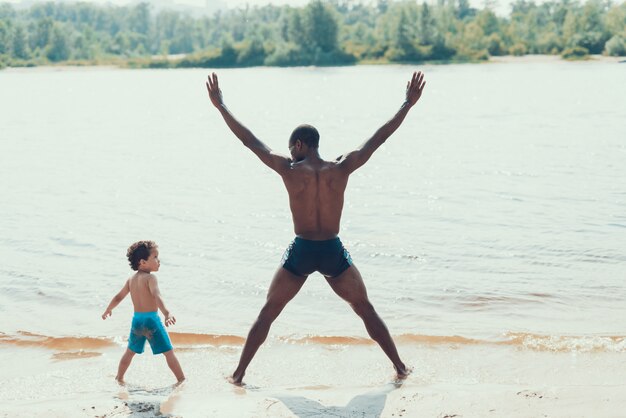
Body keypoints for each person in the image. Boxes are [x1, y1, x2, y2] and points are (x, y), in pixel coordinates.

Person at [205, 70, 426, 385]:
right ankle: (401, 368)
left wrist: (220, 105)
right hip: (332, 250)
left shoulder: (289, 169)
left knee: (269, 312)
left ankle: (238, 374)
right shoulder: (343, 167)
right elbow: (379, 138)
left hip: (303, 249)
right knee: (364, 308)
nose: (291, 151)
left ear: (298, 144)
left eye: (292, 147)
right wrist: (407, 104)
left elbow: (249, 141)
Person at [102, 240, 185, 384]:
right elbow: (156, 296)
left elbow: (118, 296)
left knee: (130, 352)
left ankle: (119, 377)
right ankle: (181, 379)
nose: (159, 261)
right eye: (155, 257)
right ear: (143, 262)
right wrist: (166, 313)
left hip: (138, 321)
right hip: (152, 320)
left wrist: (109, 309)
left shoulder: (131, 280)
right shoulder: (151, 278)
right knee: (169, 352)